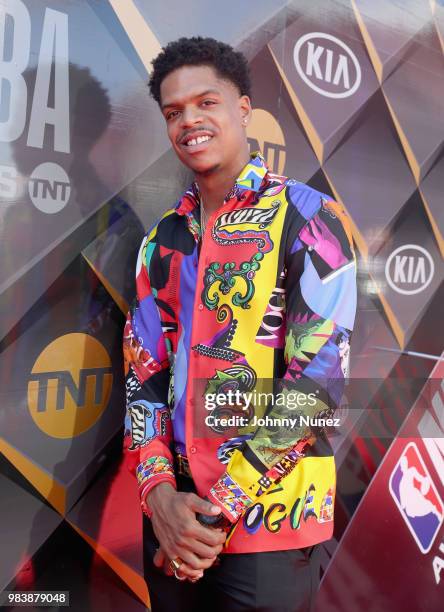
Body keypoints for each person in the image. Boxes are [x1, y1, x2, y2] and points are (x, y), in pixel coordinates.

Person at [123, 36, 357, 612]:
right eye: (174, 112)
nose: (189, 121)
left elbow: (318, 385)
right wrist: (159, 498)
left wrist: (220, 508)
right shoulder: (161, 241)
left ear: (244, 109)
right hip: (175, 528)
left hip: (271, 528)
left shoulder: (308, 216)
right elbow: (142, 376)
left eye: (206, 102)